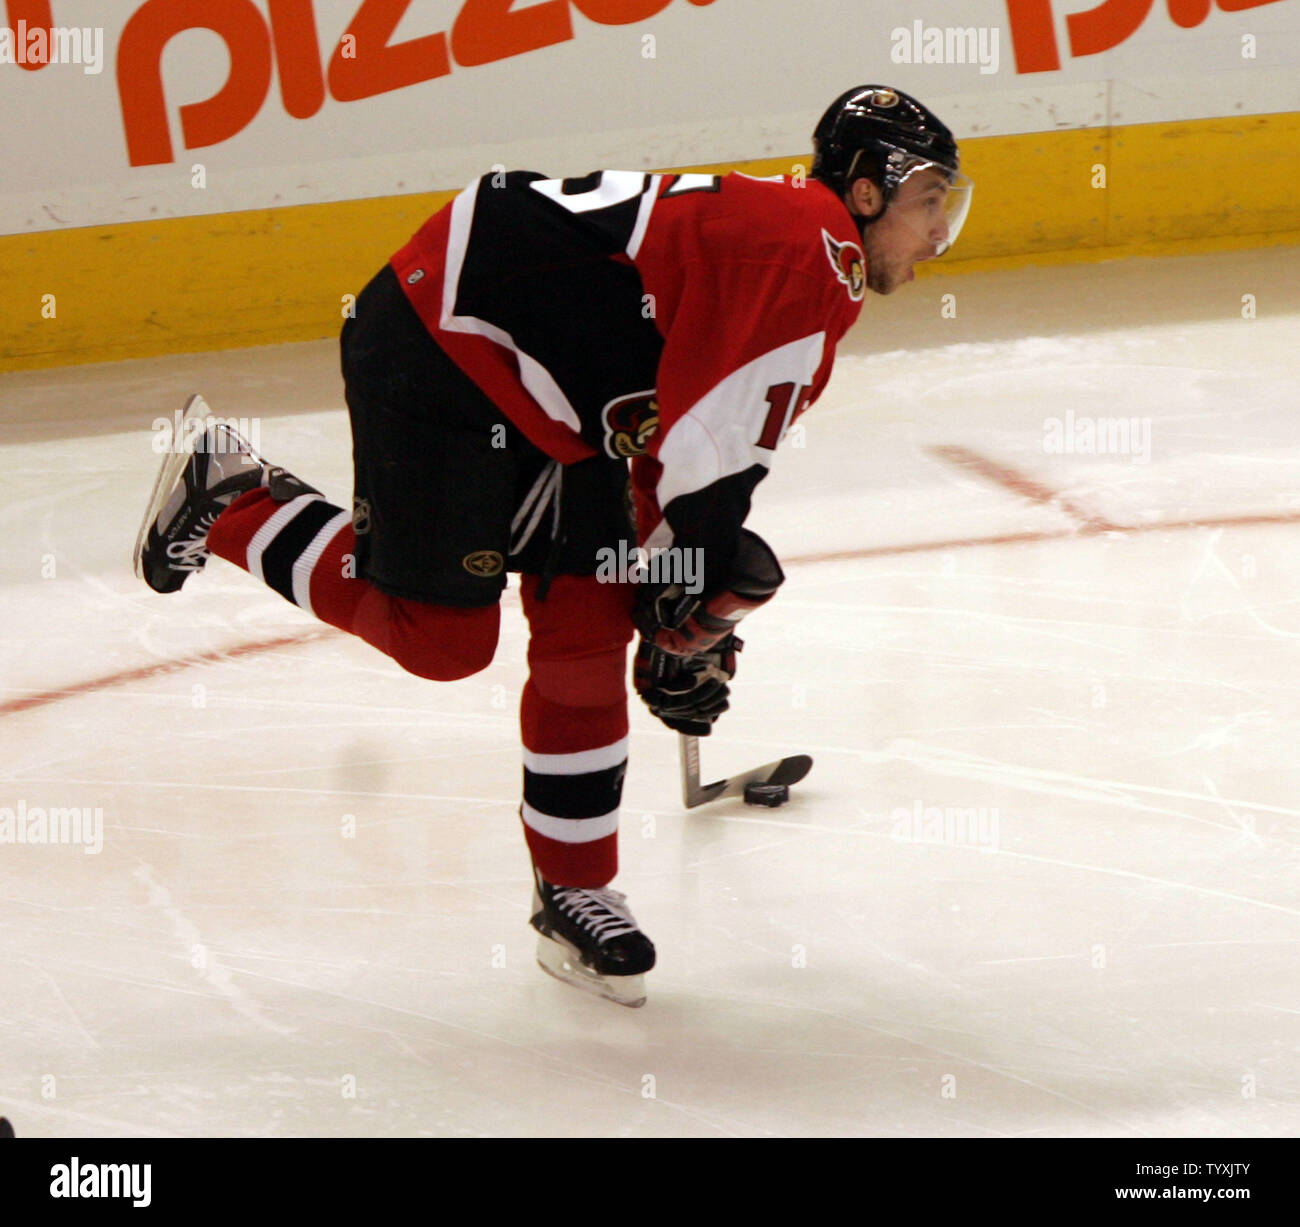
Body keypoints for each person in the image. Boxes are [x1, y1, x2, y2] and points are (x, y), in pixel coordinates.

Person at [133, 85, 971, 1007]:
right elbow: (707, 465)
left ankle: (575, 887)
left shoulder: (810, 255)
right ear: (864, 191)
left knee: (589, 617)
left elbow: (682, 428)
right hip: (444, 347)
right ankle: (233, 495)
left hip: (564, 401)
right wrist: (687, 602)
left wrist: (669, 606)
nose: (940, 232)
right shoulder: (799, 255)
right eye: (930, 201)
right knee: (443, 642)